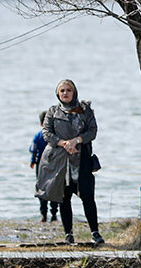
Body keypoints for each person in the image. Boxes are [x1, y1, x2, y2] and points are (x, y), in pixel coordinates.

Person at [37, 79, 103, 244]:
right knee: (63, 197)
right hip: (59, 161)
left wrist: (77, 140)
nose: (65, 93)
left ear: (74, 92)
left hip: (82, 160)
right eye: (62, 91)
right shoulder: (53, 112)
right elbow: (47, 133)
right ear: (58, 94)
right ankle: (68, 234)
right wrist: (64, 143)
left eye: (68, 90)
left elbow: (93, 131)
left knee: (87, 196)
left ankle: (95, 232)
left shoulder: (85, 110)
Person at [30, 111, 60, 223]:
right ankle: (54, 214)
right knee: (54, 188)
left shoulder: (38, 135)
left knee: (42, 188)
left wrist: (32, 161)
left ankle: (44, 215)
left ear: (41, 124)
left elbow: (33, 149)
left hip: (41, 165)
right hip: (54, 164)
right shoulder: (56, 136)